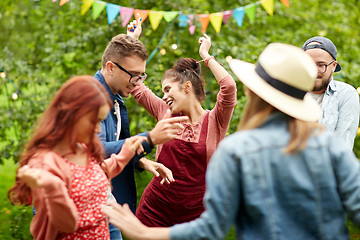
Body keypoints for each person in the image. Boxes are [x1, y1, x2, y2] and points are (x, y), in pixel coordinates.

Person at [103, 43, 360, 240]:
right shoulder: (332, 149)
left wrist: (145, 234)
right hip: (158, 207)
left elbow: (213, 226)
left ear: (253, 91)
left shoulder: (238, 151)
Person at [7, 75, 147, 240]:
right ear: (72, 115)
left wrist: (125, 154)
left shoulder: (83, 147)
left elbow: (95, 176)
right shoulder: (45, 164)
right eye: (94, 122)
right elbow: (67, 225)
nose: (98, 130)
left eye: (101, 122)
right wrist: (53, 188)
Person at [127, 33, 236, 227]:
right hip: (154, 212)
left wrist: (206, 55)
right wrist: (131, 42)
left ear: (187, 87)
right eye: (162, 92)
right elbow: (136, 86)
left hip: (196, 217)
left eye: (168, 89)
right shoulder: (164, 111)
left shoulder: (216, 119)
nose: (165, 96)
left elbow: (228, 87)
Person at [95, 17, 188, 239]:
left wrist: (142, 161)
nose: (138, 81)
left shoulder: (113, 96)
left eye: (141, 75)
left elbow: (115, 145)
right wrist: (150, 138)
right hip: (89, 206)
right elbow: (96, 151)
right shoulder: (93, 99)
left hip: (109, 202)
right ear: (110, 67)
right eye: (134, 75)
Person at [302, 36, 359, 149]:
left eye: (321, 65)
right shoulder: (288, 91)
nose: (314, 70)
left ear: (333, 66)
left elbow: (341, 146)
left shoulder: (346, 94)